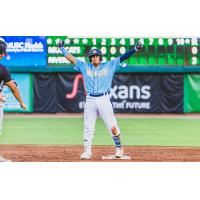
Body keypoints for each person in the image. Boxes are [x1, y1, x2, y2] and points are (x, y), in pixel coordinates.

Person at [58, 39, 143, 160]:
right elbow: (71, 59)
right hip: (90, 100)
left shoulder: (109, 65)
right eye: (92, 56)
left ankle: (119, 148)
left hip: (104, 99)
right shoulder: (84, 66)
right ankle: (87, 151)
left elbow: (123, 57)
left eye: (97, 56)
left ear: (100, 57)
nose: (94, 58)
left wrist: (135, 49)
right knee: (88, 126)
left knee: (112, 126)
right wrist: (62, 49)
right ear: (90, 58)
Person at [0, 38, 27, 162]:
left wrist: (3, 84)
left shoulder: (3, 70)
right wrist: (21, 102)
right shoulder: (2, 69)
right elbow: (14, 88)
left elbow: (12, 86)